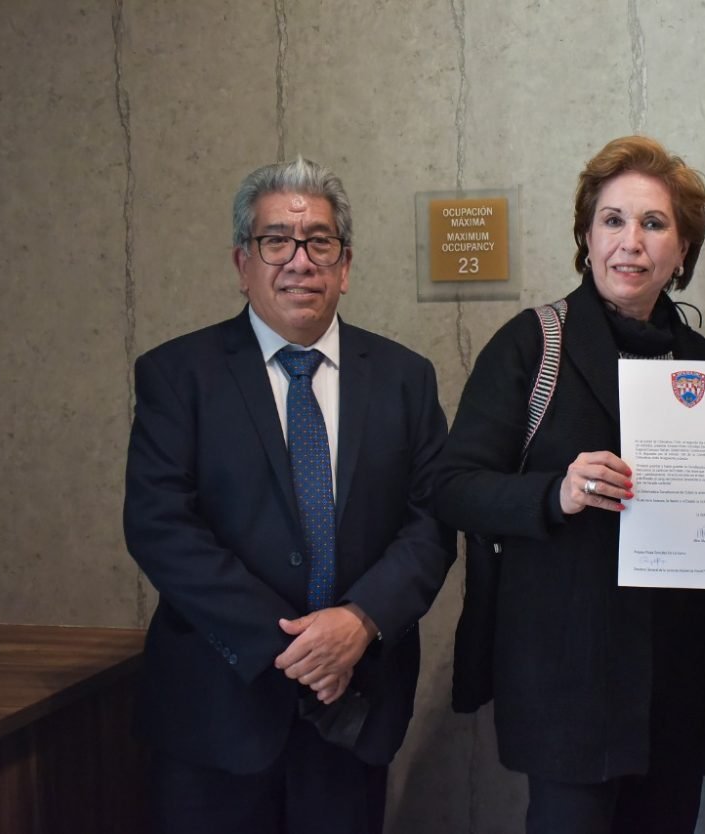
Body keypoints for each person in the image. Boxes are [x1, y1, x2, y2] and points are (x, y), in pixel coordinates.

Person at [123, 157, 455, 834]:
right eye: (276, 241)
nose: (299, 261)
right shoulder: (177, 375)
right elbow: (161, 527)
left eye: (319, 242)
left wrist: (359, 621)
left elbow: (432, 522)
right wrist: (298, 650)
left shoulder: (405, 379)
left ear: (345, 265)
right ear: (242, 263)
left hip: (354, 705)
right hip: (217, 712)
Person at [433, 136, 705, 834]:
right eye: (613, 220)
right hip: (566, 675)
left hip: (676, 678)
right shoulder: (533, 344)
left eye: (654, 223)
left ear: (683, 250)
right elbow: (452, 486)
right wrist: (554, 493)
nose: (631, 242)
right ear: (587, 237)